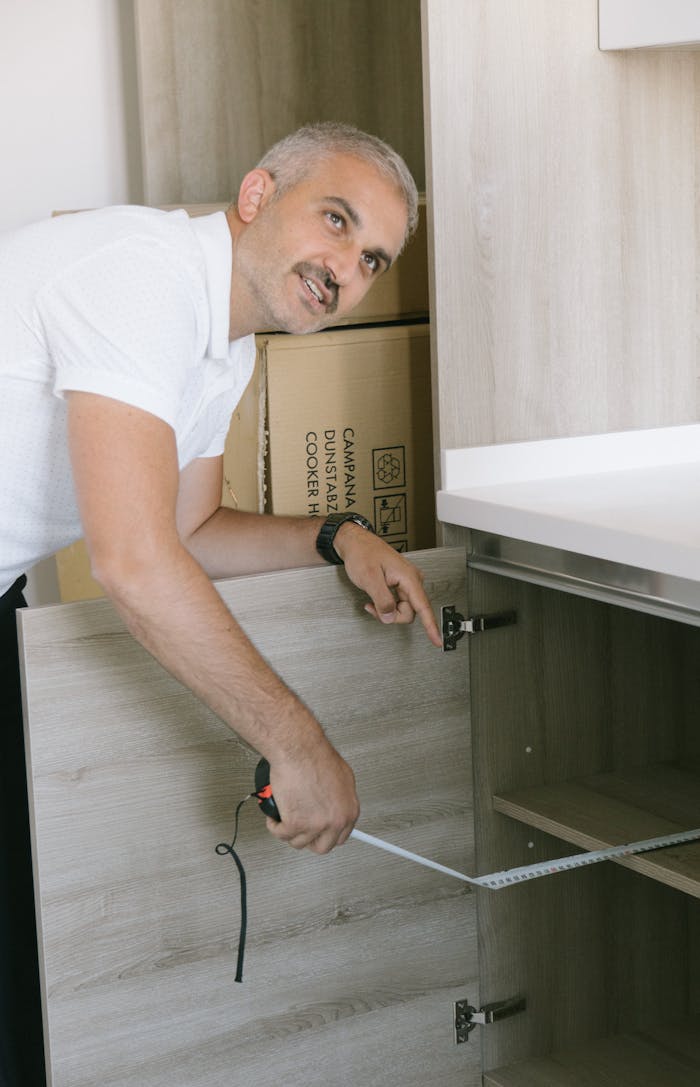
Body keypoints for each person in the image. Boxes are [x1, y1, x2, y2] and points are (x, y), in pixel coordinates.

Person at [0, 122, 441, 1084]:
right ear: (256, 195)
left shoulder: (223, 347)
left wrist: (339, 535)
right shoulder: (144, 278)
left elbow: (190, 529)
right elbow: (134, 560)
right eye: (336, 220)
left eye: (373, 258)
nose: (347, 268)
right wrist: (299, 742)